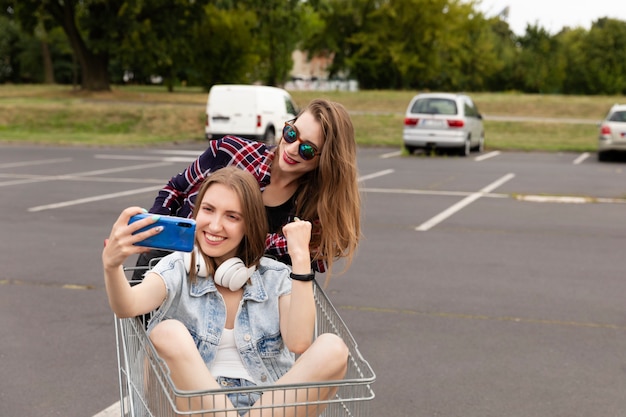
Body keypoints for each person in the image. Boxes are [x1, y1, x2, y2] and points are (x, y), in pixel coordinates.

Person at [103, 166, 349, 416]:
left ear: (249, 225)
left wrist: (299, 257)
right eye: (208, 210)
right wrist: (112, 265)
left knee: (333, 348)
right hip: (188, 407)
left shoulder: (275, 278)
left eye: (232, 216)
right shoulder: (177, 267)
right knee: (167, 332)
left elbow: (299, 342)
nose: (215, 225)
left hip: (264, 407)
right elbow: (128, 306)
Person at [133, 98, 361, 282]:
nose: (291, 149)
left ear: (327, 160)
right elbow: (176, 188)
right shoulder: (229, 152)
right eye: (291, 134)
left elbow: (316, 255)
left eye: (307, 150)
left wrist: (245, 240)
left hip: (244, 304)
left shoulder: (317, 207)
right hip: (171, 268)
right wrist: (154, 228)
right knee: (149, 334)